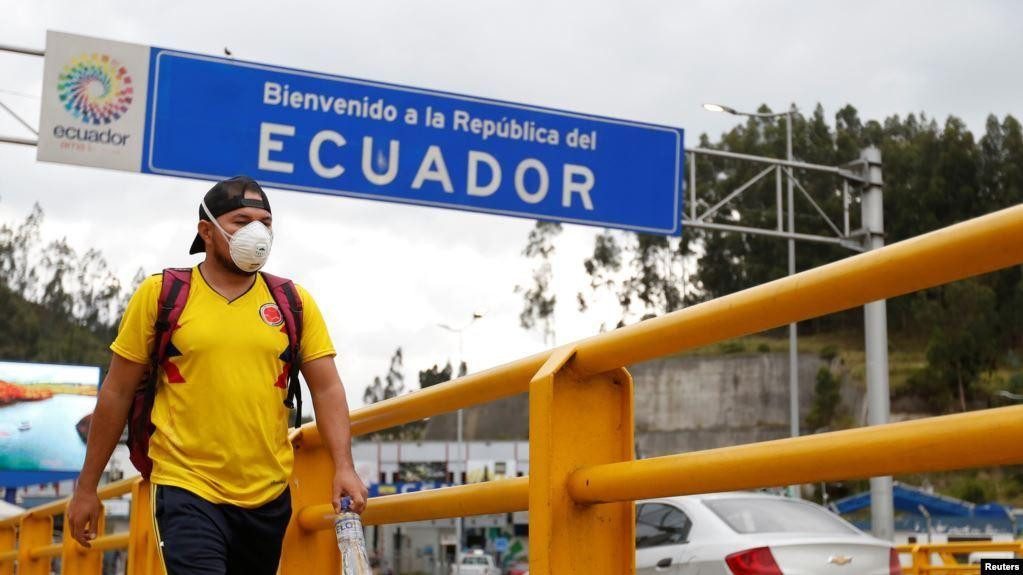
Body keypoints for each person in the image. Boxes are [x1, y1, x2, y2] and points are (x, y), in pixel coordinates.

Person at [66, 176, 368, 574]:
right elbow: (117, 392)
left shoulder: (293, 303)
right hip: (185, 485)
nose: (256, 232)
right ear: (205, 231)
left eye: (265, 222)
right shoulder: (161, 295)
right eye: (241, 221)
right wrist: (88, 486)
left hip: (268, 493)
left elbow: (327, 388)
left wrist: (343, 467)